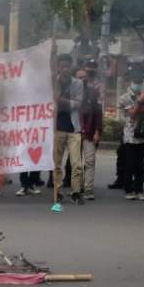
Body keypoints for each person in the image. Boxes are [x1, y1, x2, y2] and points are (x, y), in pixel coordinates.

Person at [52, 53, 84, 210]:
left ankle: (76, 191)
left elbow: (77, 104)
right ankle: (57, 191)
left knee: (77, 163)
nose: (65, 69)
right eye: (62, 66)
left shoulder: (77, 84)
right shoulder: (53, 82)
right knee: (57, 164)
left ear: (71, 67)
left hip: (73, 128)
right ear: (58, 66)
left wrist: (61, 101)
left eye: (67, 66)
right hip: (57, 128)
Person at [118, 66, 144, 201]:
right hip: (130, 136)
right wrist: (140, 101)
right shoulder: (124, 97)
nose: (138, 84)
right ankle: (129, 190)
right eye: (135, 81)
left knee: (142, 165)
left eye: (140, 81)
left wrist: (143, 101)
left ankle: (139, 190)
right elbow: (132, 114)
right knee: (130, 164)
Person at [79, 58, 103, 200]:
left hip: (89, 132)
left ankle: (88, 189)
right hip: (74, 132)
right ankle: (77, 187)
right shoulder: (71, 91)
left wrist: (97, 131)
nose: (84, 79)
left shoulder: (94, 92)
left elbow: (99, 113)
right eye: (80, 77)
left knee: (89, 161)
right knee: (76, 162)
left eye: (85, 76)